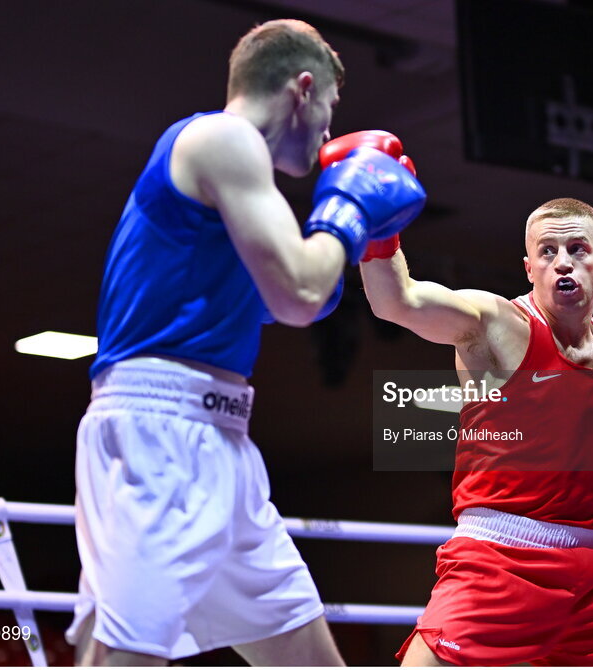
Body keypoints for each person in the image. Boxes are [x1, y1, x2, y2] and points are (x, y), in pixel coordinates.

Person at [65, 20, 425, 666]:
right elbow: (299, 295)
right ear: (302, 89)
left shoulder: (239, 185)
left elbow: (297, 303)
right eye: (329, 110)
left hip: (223, 443)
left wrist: (331, 256)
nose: (325, 134)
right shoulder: (222, 139)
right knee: (122, 661)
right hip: (161, 436)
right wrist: (349, 214)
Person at [359, 197, 593, 666]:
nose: (563, 263)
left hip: (586, 578)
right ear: (529, 267)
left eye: (578, 249)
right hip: (492, 561)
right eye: (548, 251)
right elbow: (396, 301)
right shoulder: (495, 325)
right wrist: (376, 220)